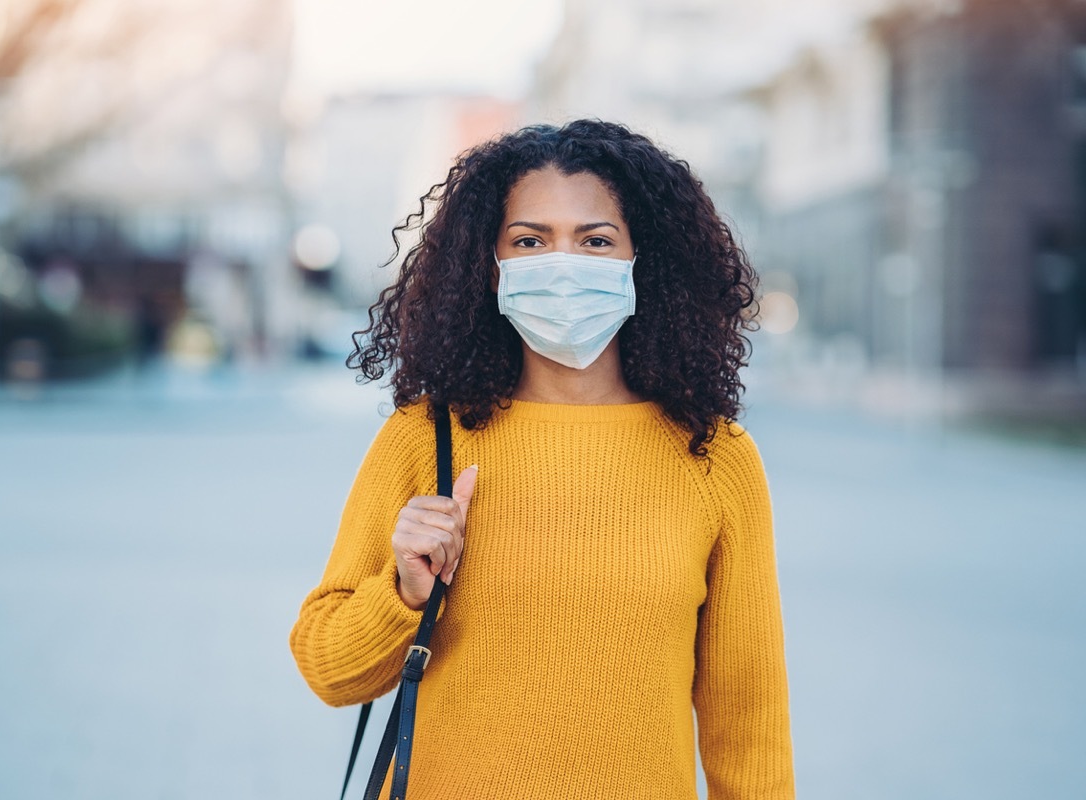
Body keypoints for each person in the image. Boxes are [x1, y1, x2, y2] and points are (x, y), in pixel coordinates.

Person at [290, 119, 794, 800]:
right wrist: (405, 591)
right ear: (488, 265)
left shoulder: (714, 456)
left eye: (595, 240)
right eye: (531, 240)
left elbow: (749, 721)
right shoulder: (425, 438)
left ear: (646, 261)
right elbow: (330, 671)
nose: (564, 264)